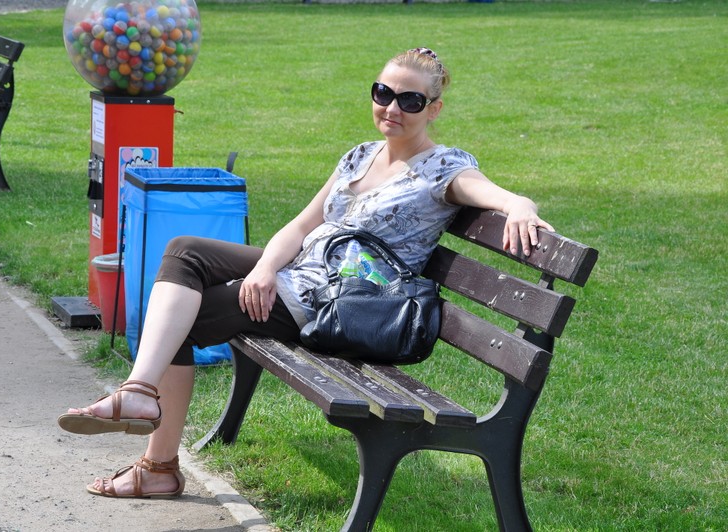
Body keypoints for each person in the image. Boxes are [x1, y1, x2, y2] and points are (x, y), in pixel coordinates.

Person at [58, 47, 555, 498]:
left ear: (434, 109)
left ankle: (157, 464)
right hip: (303, 270)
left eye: (410, 100)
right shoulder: (360, 155)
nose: (392, 108)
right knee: (185, 251)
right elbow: (302, 225)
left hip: (338, 302)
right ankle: (140, 394)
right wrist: (265, 269)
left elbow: (499, 195)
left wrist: (521, 207)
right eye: (383, 93)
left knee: (180, 322)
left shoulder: (444, 167)